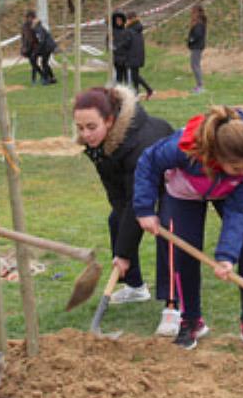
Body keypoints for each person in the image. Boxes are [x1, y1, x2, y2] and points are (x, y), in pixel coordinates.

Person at [133, 105, 243, 356]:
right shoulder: (183, 148)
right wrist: (144, 209)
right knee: (183, 251)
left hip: (230, 193)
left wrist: (226, 256)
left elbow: (238, 211)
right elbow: (149, 161)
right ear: (216, 157)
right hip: (185, 191)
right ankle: (191, 320)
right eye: (238, 168)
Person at [73, 86, 177, 335]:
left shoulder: (137, 144)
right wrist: (124, 241)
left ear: (109, 120)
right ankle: (135, 286)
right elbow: (119, 197)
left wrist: (123, 253)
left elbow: (136, 202)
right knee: (116, 221)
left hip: (173, 183)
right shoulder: (100, 143)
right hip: (136, 189)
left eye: (91, 126)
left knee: (167, 227)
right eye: (80, 128)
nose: (85, 134)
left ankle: (174, 306)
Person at [124, 11, 153, 99]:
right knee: (134, 75)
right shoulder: (137, 28)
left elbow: (127, 43)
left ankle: (147, 90)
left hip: (133, 55)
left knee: (134, 75)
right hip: (137, 54)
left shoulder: (130, 30)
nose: (127, 21)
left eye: (128, 19)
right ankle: (139, 91)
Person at [24, 10, 56, 85]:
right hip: (46, 46)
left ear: (31, 18)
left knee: (43, 63)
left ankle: (46, 80)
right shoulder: (36, 26)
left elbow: (41, 40)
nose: (27, 20)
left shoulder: (38, 27)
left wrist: (36, 51)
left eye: (28, 18)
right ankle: (51, 78)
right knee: (44, 62)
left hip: (47, 46)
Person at [187, 6, 207, 93]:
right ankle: (199, 85)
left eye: (193, 12)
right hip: (196, 47)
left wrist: (191, 40)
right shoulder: (199, 23)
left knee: (195, 65)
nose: (191, 14)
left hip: (197, 47)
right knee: (194, 65)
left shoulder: (199, 24)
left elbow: (197, 35)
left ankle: (200, 86)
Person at [20, 11, 42, 84]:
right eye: (28, 17)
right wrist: (23, 47)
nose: (30, 19)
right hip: (27, 47)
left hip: (35, 47)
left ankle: (34, 79)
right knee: (33, 63)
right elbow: (23, 37)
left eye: (32, 17)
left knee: (34, 62)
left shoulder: (36, 25)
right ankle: (43, 75)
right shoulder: (24, 26)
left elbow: (39, 35)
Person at [111, 11, 130, 85]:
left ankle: (127, 92)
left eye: (120, 20)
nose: (118, 22)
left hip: (126, 57)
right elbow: (110, 43)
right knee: (118, 77)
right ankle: (119, 92)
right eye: (117, 20)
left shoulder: (126, 31)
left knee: (127, 77)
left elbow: (128, 43)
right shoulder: (112, 31)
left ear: (123, 21)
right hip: (117, 57)